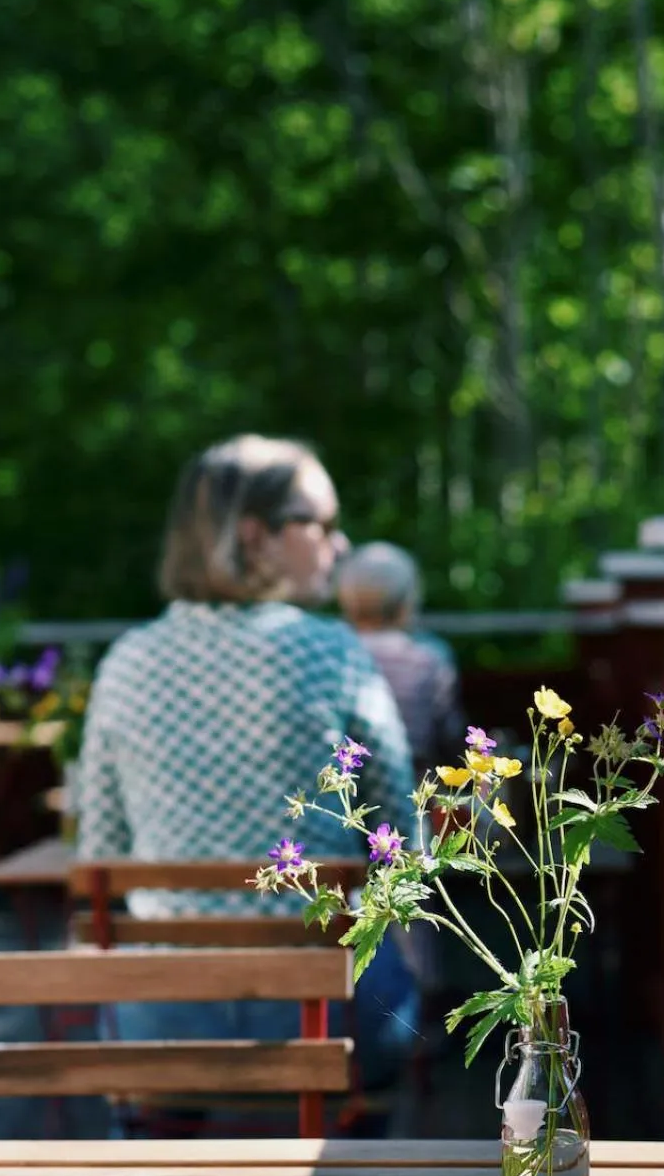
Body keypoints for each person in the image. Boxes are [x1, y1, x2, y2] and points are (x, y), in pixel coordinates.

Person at [77, 434, 420, 1132]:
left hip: (164, 1019)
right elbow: (401, 839)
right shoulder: (333, 654)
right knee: (393, 1001)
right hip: (324, 1017)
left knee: (152, 1079)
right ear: (255, 535)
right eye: (320, 523)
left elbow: (100, 855)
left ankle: (155, 1174)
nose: (340, 543)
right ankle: (351, 1175)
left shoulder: (125, 663)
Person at [336, 542, 465, 770]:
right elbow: (450, 740)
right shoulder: (430, 657)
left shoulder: (333, 651)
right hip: (416, 784)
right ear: (406, 601)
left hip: (342, 782)